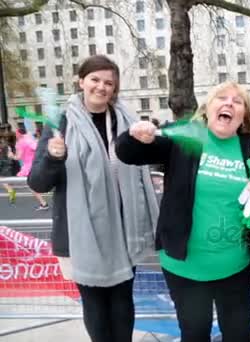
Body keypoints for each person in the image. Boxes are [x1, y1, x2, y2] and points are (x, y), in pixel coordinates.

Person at [116, 81, 250, 342]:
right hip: (185, 266)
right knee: (195, 333)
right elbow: (129, 153)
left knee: (239, 335)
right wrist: (135, 136)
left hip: (234, 267)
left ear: (244, 116)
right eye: (222, 97)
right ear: (208, 108)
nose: (229, 103)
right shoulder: (186, 136)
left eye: (238, 101)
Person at [27, 55, 159, 342]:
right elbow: (37, 181)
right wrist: (54, 157)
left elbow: (146, 161)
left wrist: (150, 142)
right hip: (79, 235)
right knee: (94, 303)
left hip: (125, 230)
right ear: (81, 81)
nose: (101, 87)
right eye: (95, 79)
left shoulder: (128, 120)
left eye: (109, 82)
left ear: (115, 88)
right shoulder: (60, 123)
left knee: (123, 299)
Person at [12, 128, 49, 210]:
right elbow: (38, 149)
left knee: (31, 185)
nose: (15, 135)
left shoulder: (21, 143)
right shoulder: (30, 139)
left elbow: (18, 157)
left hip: (28, 166)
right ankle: (44, 202)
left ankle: (43, 203)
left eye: (16, 133)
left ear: (19, 134)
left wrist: (11, 155)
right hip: (36, 164)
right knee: (33, 184)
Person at [0, 138, 16, 203]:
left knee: (3, 181)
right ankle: (11, 192)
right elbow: (11, 156)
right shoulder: (8, 147)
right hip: (8, 165)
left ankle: (11, 191)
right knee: (5, 181)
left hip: (3, 165)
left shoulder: (2, 148)